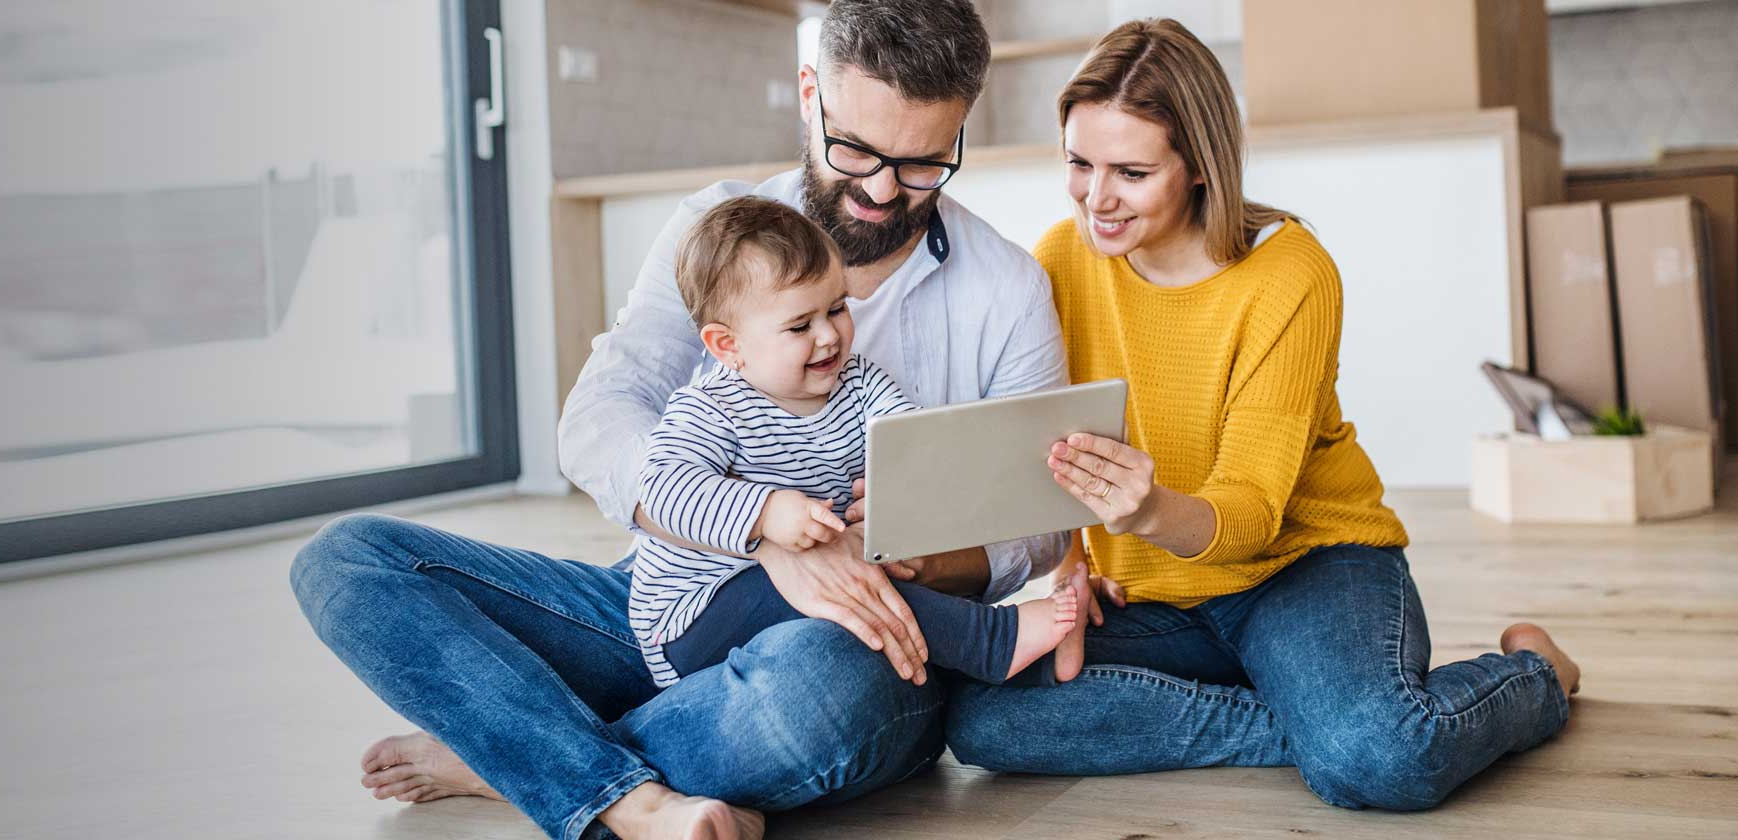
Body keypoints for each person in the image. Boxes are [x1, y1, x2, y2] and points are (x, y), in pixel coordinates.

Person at [292, 4, 1294, 839]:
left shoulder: (1005, 289)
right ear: (810, 93)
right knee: (345, 562)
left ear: (959, 133)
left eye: (918, 164)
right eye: (854, 148)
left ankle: (523, 751)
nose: (875, 190)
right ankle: (585, 774)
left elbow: (1028, 528)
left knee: (820, 693)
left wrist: (894, 558)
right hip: (666, 602)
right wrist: (759, 538)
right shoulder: (713, 232)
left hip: (866, 644)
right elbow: (599, 419)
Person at [938, 18, 1584, 811]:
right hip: (1154, 598)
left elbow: (1249, 512)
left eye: (1131, 172)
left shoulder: (1289, 274)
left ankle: (1535, 677)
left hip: (1305, 568)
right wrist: (1074, 565)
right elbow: (1049, 441)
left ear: (1201, 167)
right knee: (983, 716)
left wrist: (1143, 509)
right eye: (1079, 162)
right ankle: (1313, 727)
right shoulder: (1059, 260)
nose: (1095, 198)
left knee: (1383, 760)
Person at [628, 196, 1082, 690]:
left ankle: (1021, 664)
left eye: (838, 308)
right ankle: (994, 639)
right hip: (697, 613)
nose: (828, 336)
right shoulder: (710, 409)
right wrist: (766, 514)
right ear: (727, 346)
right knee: (852, 587)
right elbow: (662, 489)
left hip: (822, 583)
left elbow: (914, 444)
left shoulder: (860, 382)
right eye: (800, 325)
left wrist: (908, 497)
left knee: (873, 581)